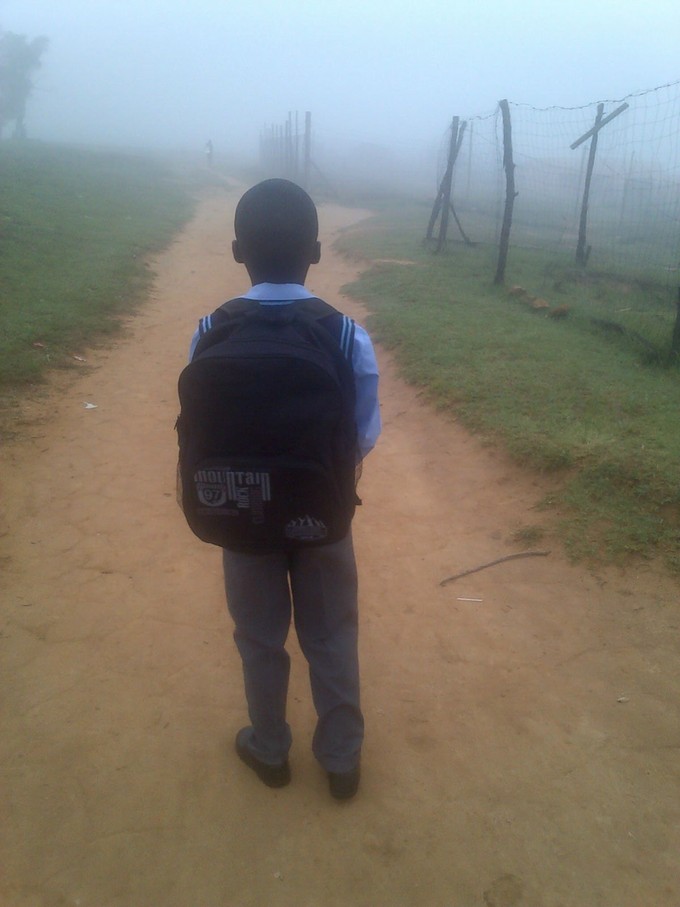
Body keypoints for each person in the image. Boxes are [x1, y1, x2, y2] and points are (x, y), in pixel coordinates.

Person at [187, 179, 380, 799]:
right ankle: (342, 760)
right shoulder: (347, 335)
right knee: (331, 632)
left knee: (259, 635)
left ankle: (269, 749)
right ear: (316, 251)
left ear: (237, 250)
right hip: (323, 517)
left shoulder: (210, 329)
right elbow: (363, 436)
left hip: (238, 514)